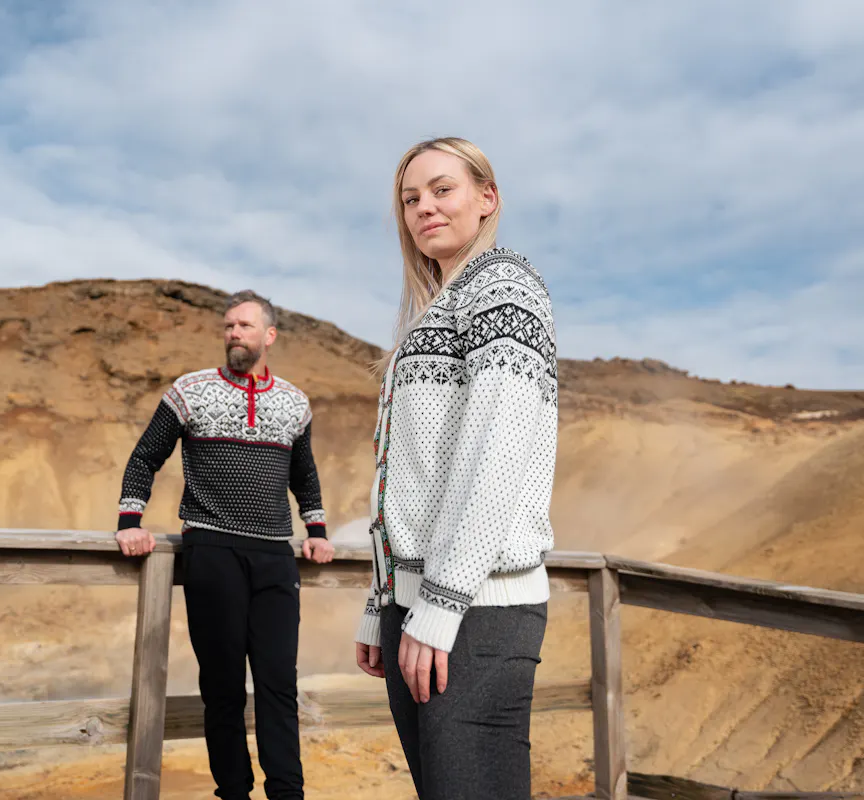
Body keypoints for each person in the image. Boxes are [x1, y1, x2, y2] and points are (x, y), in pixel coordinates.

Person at [353, 137, 557, 799]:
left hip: (475, 611)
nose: (424, 208)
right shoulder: (433, 312)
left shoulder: (503, 286)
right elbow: (407, 477)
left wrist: (439, 607)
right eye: (411, 199)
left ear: (486, 198)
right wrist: (381, 601)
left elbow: (495, 454)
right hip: (418, 606)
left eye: (443, 189)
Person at [115, 290, 335, 800]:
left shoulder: (294, 402)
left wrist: (318, 532)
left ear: (269, 335)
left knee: (280, 685)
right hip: (212, 550)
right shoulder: (188, 391)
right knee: (222, 688)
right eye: (228, 326)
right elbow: (146, 456)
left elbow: (304, 475)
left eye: (244, 326)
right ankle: (233, 793)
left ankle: (287, 794)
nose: (234, 333)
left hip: (276, 557)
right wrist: (130, 520)